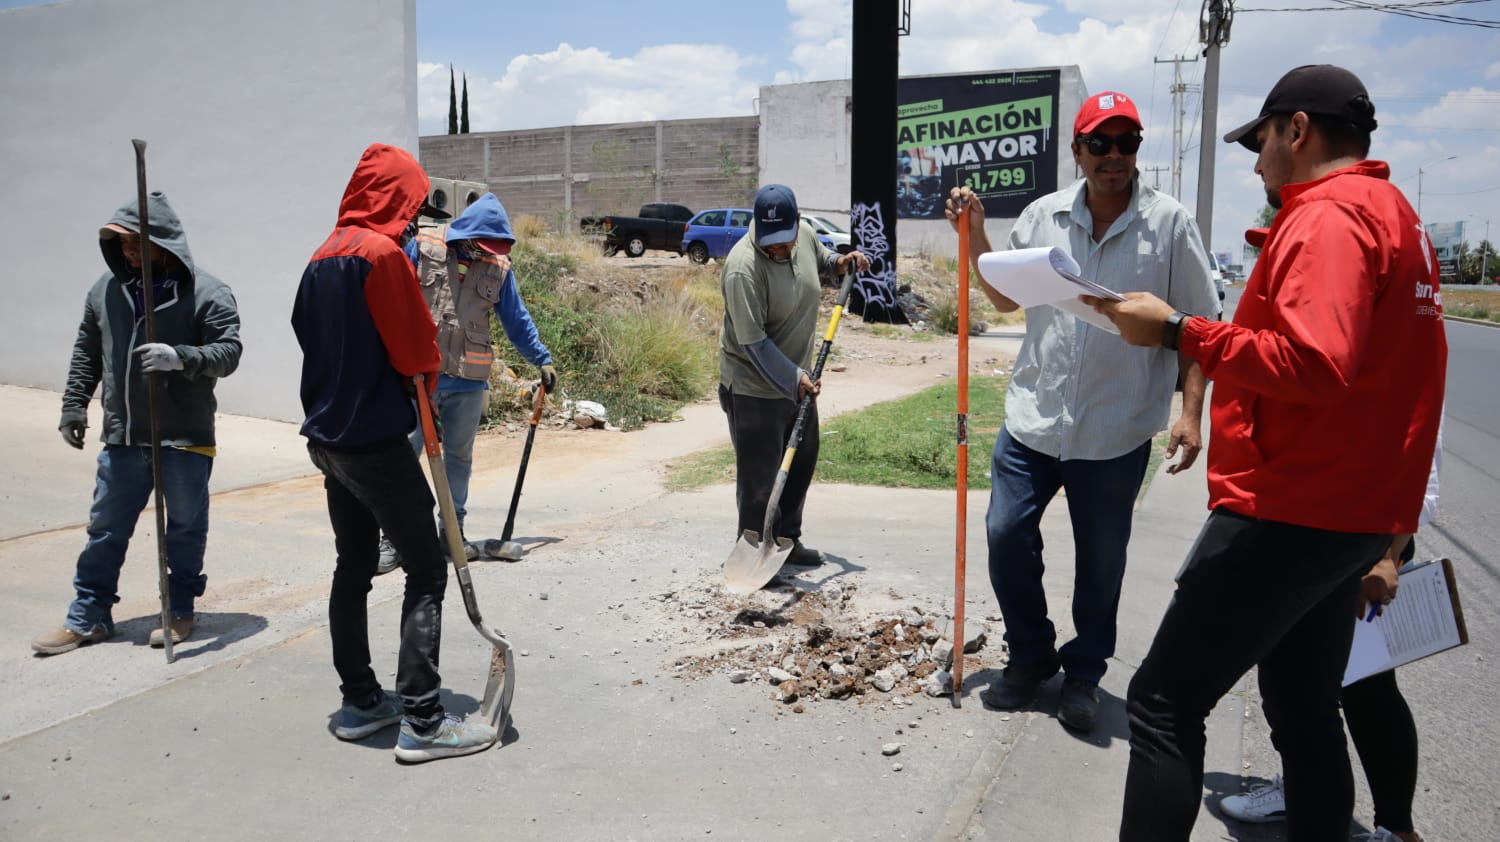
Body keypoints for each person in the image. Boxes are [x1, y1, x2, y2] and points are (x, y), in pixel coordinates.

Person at [1083, 65, 1447, 841]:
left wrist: (1180, 331)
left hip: (1291, 510)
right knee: (1302, 704)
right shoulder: (1395, 214)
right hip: (1351, 515)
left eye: (1261, 143)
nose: (1256, 162)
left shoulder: (1331, 217)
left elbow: (1318, 363)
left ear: (1298, 130)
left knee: (1161, 703)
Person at [944, 90, 1220, 732]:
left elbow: (1199, 326)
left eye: (1126, 143)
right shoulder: (1042, 217)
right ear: (1078, 151)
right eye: (1101, 143)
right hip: (1034, 419)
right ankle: (1033, 655)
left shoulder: (1170, 224)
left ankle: (1086, 672)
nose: (1114, 156)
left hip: (1116, 429)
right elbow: (1006, 300)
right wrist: (975, 233)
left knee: (1102, 562)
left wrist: (1191, 412)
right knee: (1005, 536)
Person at [292, 142, 497, 763]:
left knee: (353, 567)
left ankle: (360, 702)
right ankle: (424, 720)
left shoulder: (321, 256)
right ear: (393, 198)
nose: (412, 219)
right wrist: (421, 378)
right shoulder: (381, 255)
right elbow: (416, 351)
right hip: (374, 441)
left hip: (328, 440)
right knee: (427, 568)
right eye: (409, 205)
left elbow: (304, 330)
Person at [32, 191, 243, 656]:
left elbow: (228, 354)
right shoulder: (105, 291)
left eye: (134, 243)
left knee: (184, 527)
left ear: (163, 242)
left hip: (184, 436)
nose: (127, 252)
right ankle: (88, 616)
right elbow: (86, 352)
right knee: (105, 527)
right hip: (124, 434)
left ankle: (180, 608)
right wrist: (73, 406)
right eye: (119, 244)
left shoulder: (208, 292)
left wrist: (180, 357)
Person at [1220, 422, 1443, 842]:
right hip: (1302, 529)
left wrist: (1391, 556)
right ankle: (1302, 789)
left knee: (1367, 687)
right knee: (1290, 683)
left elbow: (1421, 464)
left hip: (1366, 542)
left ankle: (1397, 829)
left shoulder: (1413, 355)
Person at [376, 191, 556, 573]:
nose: (485, 253)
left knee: (459, 459)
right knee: (404, 457)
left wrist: (542, 358)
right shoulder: (423, 247)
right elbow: (391, 299)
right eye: (481, 245)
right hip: (418, 377)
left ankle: (452, 535)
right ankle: (392, 539)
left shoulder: (498, 267)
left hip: (469, 381)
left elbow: (516, 319)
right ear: (467, 233)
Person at [718, 184, 869, 573]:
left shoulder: (801, 234)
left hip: (797, 383)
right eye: (771, 245)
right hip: (753, 387)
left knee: (801, 460)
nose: (778, 250)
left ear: (797, 223)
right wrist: (795, 377)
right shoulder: (742, 268)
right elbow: (753, 343)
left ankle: (786, 539)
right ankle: (753, 555)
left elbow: (821, 259)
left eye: (784, 243)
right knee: (760, 479)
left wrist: (840, 263)